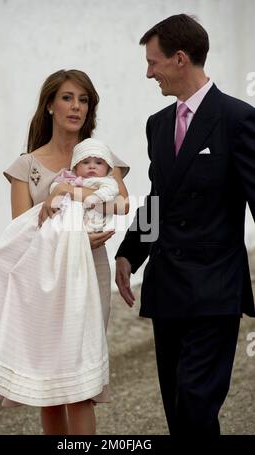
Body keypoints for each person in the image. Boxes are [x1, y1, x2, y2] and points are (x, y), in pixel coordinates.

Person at [0, 69, 130, 435]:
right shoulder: (26, 166)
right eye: (68, 98)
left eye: (84, 99)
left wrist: (74, 203)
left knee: (80, 388)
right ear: (50, 106)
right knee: (50, 389)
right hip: (40, 283)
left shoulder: (101, 158)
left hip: (88, 276)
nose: (76, 107)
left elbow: (122, 203)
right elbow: (20, 236)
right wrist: (73, 238)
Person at [115, 14, 255, 436]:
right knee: (178, 407)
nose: (148, 72)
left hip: (215, 289)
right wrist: (129, 253)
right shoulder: (158, 125)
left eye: (153, 62)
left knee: (196, 403)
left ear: (180, 59)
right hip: (169, 287)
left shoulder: (237, 119)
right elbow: (160, 199)